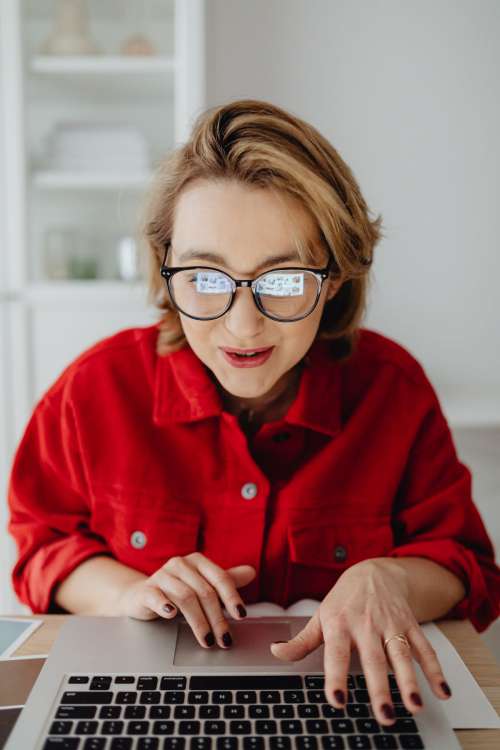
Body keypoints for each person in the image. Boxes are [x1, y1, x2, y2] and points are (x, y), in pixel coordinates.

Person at [7, 99, 500, 728]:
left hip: (345, 708)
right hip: (154, 710)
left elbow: (465, 566)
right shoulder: (93, 389)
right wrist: (128, 591)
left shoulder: (393, 391)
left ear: (335, 277)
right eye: (207, 278)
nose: (243, 327)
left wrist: (394, 579)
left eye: (285, 278)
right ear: (167, 267)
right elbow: (42, 546)